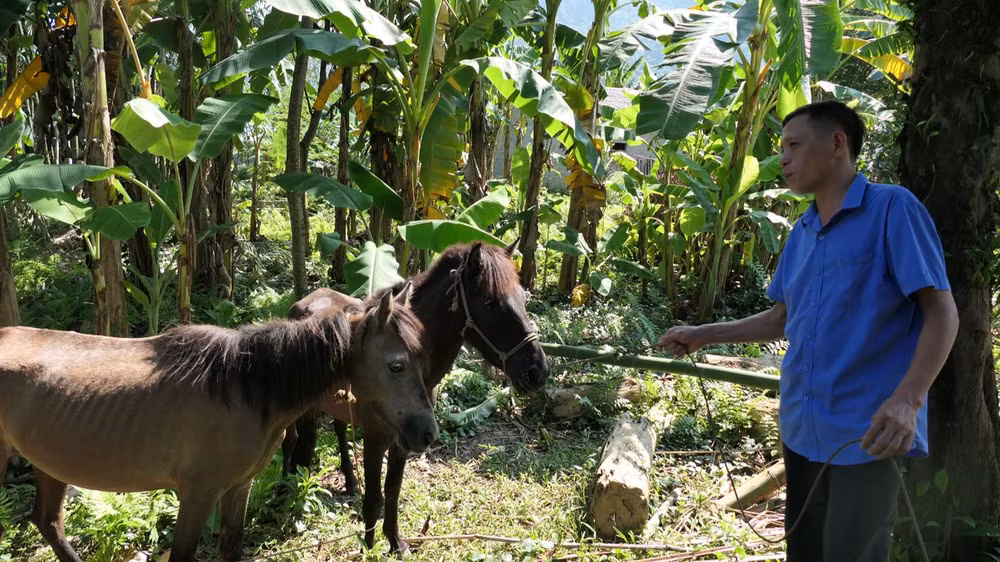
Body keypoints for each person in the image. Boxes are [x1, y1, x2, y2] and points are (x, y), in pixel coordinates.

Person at [655, 100, 959, 561]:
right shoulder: (803, 231)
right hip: (802, 429)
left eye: (794, 144)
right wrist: (702, 334)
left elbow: (942, 312)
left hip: (866, 434)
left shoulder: (892, 209)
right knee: (806, 552)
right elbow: (780, 319)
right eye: (782, 148)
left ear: (838, 143)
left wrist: (908, 400)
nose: (783, 158)